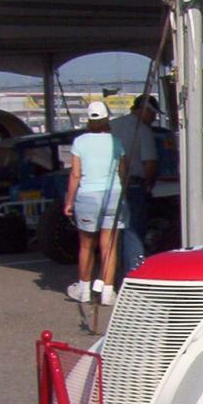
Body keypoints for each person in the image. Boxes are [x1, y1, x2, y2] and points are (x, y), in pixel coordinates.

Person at [64, 100, 126, 306]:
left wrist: (69, 201)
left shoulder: (80, 142)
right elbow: (123, 171)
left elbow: (75, 174)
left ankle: (84, 290)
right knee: (109, 246)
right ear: (107, 119)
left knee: (86, 245)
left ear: (89, 120)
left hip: (88, 196)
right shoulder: (116, 142)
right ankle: (107, 292)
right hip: (114, 194)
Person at [110, 93, 159, 277]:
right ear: (145, 110)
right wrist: (149, 185)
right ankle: (134, 271)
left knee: (112, 233)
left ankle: (111, 274)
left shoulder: (113, 125)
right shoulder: (143, 130)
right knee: (133, 231)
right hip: (133, 185)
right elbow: (149, 163)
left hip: (110, 185)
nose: (154, 118)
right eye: (153, 114)